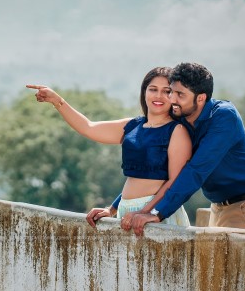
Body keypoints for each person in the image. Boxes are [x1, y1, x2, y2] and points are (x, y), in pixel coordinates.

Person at [121, 63, 245, 237]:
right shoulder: (182, 120)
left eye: (180, 95)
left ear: (200, 98)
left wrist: (156, 213)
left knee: (226, 263)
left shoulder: (224, 117)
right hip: (218, 205)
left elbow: (195, 171)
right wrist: (115, 207)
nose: (172, 99)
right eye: (172, 92)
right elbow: (155, 172)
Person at [26, 67, 192, 227]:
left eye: (167, 91)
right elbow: (88, 127)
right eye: (153, 89)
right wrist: (111, 209)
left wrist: (145, 212)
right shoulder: (132, 126)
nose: (159, 96)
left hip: (155, 215)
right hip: (127, 213)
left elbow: (174, 182)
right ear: (144, 92)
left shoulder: (177, 131)